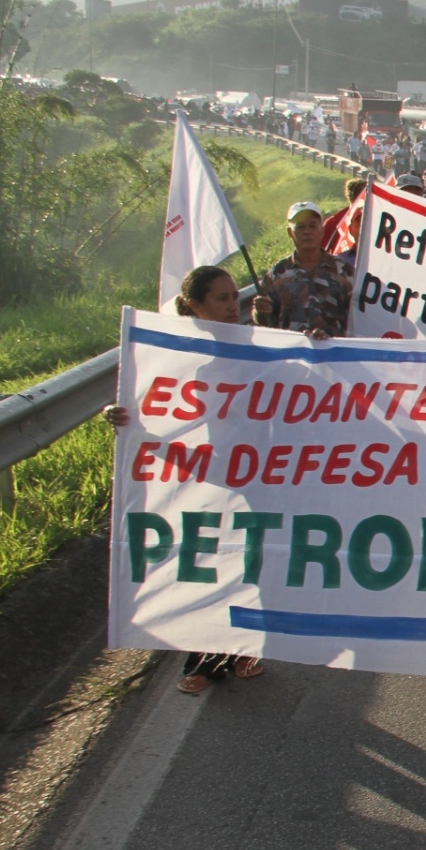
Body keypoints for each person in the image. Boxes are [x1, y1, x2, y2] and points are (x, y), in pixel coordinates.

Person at [106, 266, 264, 694]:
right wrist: (119, 417)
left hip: (256, 475)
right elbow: (146, 408)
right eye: (221, 299)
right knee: (204, 563)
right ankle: (202, 659)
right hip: (202, 478)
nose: (233, 306)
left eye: (235, 297)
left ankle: (248, 647)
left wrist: (317, 349)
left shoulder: (261, 345)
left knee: (246, 562)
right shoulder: (173, 356)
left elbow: (310, 386)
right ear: (194, 306)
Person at [253, 202, 352, 339]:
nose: (307, 232)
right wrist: (260, 312)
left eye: (312, 226)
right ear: (290, 233)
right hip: (294, 355)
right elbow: (263, 321)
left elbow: (361, 315)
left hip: (335, 355)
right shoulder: (278, 274)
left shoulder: (344, 271)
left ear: (322, 230)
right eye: (300, 227)